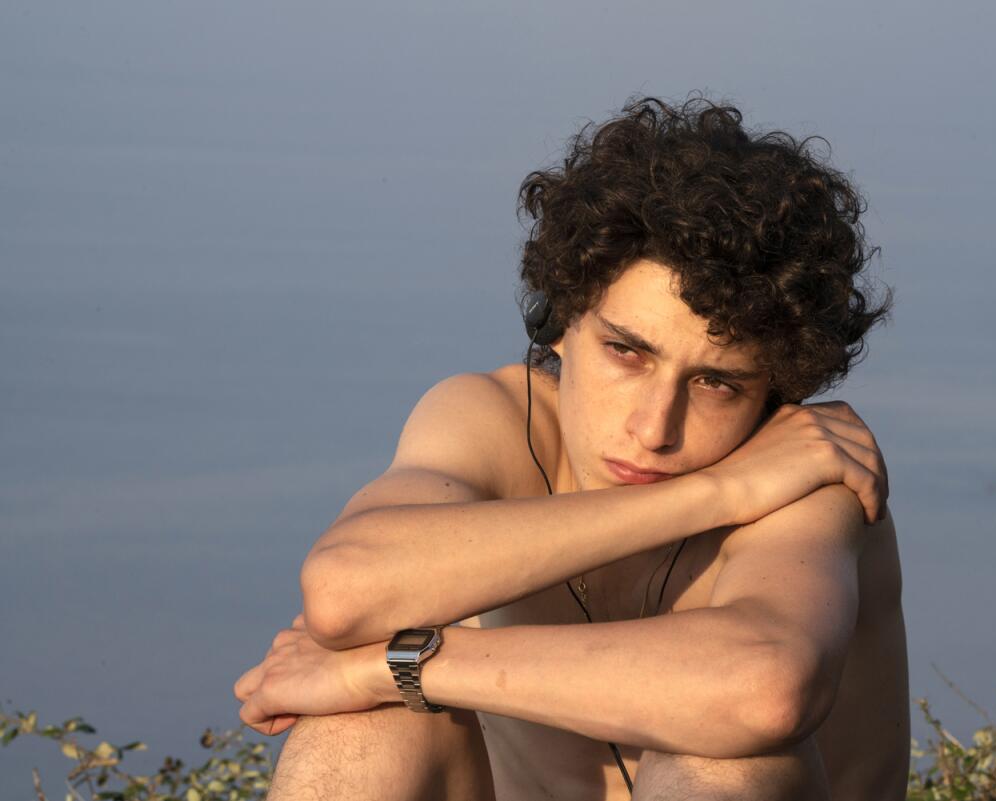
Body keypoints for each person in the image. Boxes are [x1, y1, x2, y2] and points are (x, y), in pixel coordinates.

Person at [234, 93, 909, 800]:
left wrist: (388, 666)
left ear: (777, 387)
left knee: (720, 758)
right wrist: (712, 493)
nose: (654, 428)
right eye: (627, 352)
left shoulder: (810, 472)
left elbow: (764, 688)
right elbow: (342, 593)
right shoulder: (494, 418)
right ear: (562, 322)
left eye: (716, 383)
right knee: (359, 730)